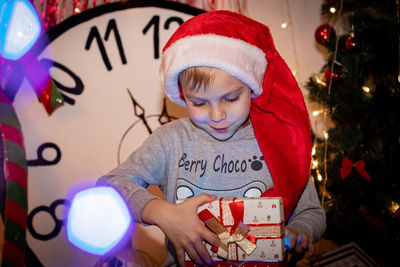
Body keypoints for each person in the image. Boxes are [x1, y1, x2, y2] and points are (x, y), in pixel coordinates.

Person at [97, 10, 326, 267]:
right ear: (183, 96)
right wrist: (161, 213)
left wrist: (295, 234)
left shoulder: (282, 140)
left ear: (252, 88)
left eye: (230, 99)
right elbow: (109, 185)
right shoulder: (171, 141)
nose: (217, 115)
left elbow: (311, 212)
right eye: (199, 103)